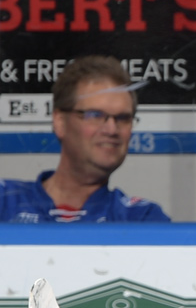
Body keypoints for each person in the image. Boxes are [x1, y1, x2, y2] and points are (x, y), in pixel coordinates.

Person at [0, 55, 170, 222]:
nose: (112, 129)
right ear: (60, 122)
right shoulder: (5, 201)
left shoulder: (140, 218)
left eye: (122, 118)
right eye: (95, 115)